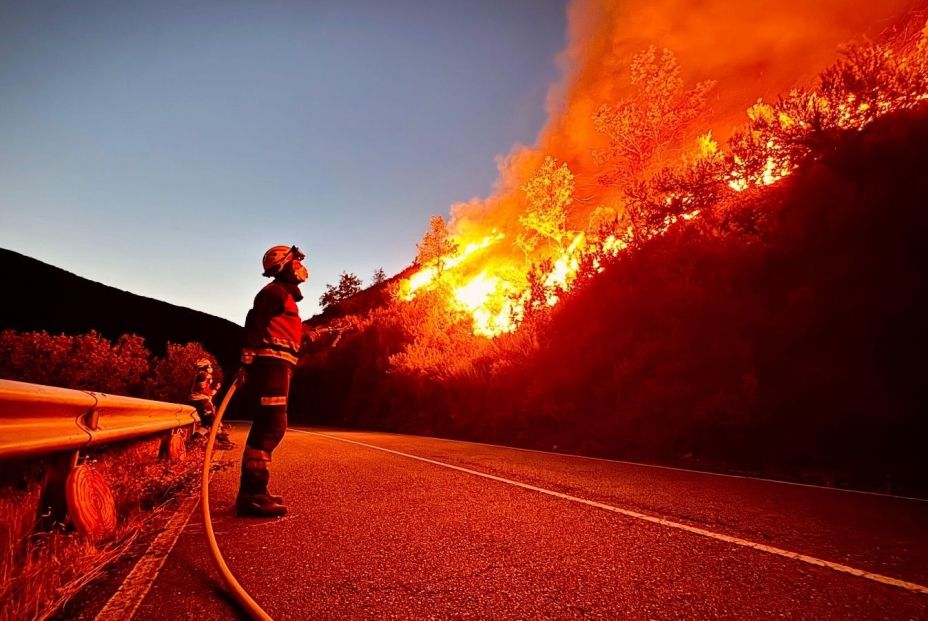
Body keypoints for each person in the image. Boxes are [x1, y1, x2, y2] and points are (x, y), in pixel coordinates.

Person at [234, 244, 308, 517]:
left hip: (277, 365)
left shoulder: (284, 297)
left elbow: (279, 330)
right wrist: (248, 357)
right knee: (271, 426)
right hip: (271, 366)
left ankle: (255, 492)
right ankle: (252, 494)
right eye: (296, 261)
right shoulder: (274, 292)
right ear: (284, 265)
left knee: (268, 425)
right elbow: (255, 321)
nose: (301, 267)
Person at [189, 358, 234, 450]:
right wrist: (213, 391)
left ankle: (192, 441)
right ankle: (223, 442)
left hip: (201, 400)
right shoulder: (202, 375)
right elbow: (202, 388)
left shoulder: (203, 375)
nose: (210, 367)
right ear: (205, 367)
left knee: (206, 425)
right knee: (214, 422)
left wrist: (214, 390)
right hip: (201, 401)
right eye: (209, 366)